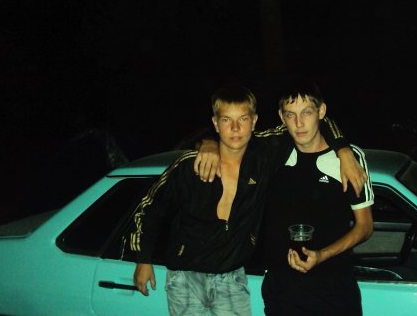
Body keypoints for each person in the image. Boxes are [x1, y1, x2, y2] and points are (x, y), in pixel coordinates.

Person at [130, 84, 366, 315]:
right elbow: (149, 208)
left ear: (254, 122)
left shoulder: (265, 156)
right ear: (215, 124)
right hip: (185, 277)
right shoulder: (189, 166)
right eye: (226, 120)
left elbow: (317, 119)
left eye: (243, 119)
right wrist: (143, 259)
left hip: (232, 277)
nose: (235, 128)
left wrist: (343, 150)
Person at [261, 80, 374, 316]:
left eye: (307, 113)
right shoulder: (273, 153)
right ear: (281, 117)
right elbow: (233, 135)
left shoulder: (348, 160)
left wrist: (322, 255)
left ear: (321, 111)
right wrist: (208, 143)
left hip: (334, 292)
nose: (299, 123)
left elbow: (365, 227)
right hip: (282, 293)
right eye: (290, 115)